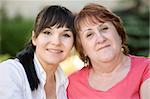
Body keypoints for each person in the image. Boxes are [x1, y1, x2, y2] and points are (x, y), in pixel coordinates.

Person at [67, 3, 150, 99]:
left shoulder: (145, 69)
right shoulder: (71, 85)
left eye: (104, 28)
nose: (100, 39)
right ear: (82, 49)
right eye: (89, 34)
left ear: (119, 34)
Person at [0, 5, 75, 99]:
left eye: (66, 35)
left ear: (73, 44)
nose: (56, 42)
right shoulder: (11, 72)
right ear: (34, 38)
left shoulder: (65, 84)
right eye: (47, 32)